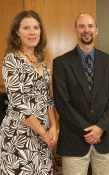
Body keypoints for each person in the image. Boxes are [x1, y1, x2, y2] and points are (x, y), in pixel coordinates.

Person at [52, 13, 109, 175]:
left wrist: (100, 128)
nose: (86, 30)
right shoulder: (61, 63)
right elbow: (62, 103)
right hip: (74, 139)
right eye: (81, 26)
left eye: (90, 26)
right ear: (75, 30)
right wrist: (88, 130)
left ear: (96, 30)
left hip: (105, 139)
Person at [0, 10, 57, 174]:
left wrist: (53, 126)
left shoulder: (40, 58)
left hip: (42, 136)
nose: (32, 32)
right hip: (19, 136)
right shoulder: (11, 59)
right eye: (26, 28)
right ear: (17, 32)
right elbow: (18, 104)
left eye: (36, 27)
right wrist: (44, 133)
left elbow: (47, 97)